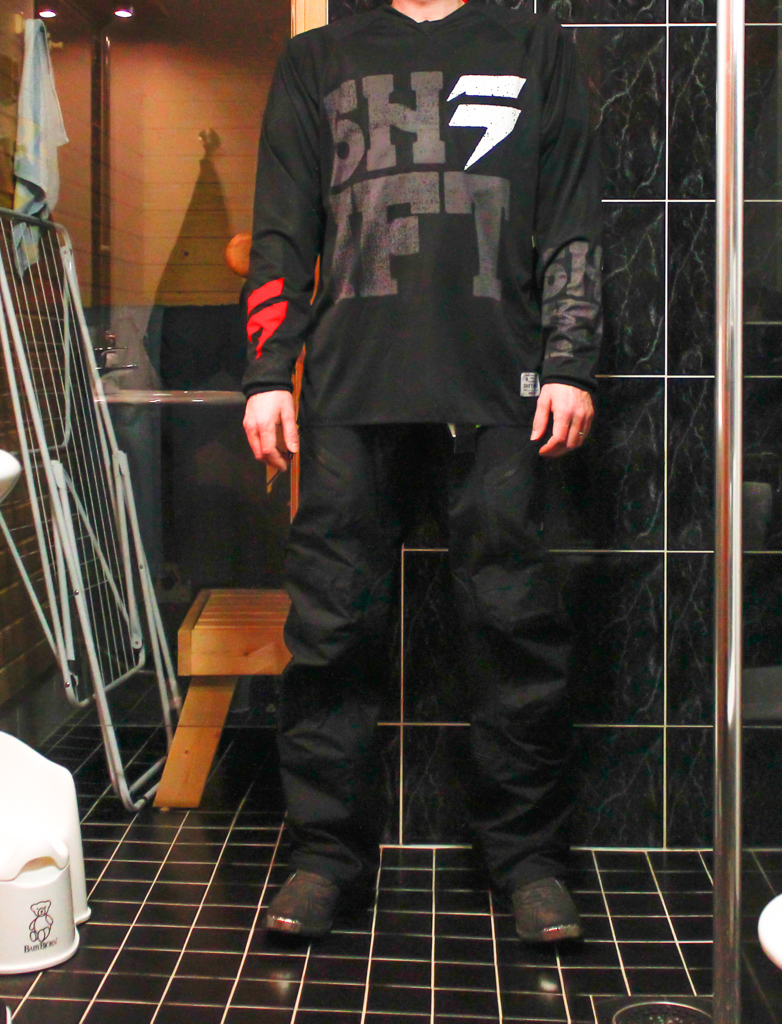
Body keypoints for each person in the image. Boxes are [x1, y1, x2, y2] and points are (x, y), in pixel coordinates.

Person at [242, 0, 602, 943]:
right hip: (349, 389)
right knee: (330, 631)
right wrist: (268, 373)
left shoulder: (534, 47)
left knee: (515, 627)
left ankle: (529, 861)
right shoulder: (316, 61)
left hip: (500, 386)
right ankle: (325, 858)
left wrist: (570, 362)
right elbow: (282, 229)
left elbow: (571, 218)